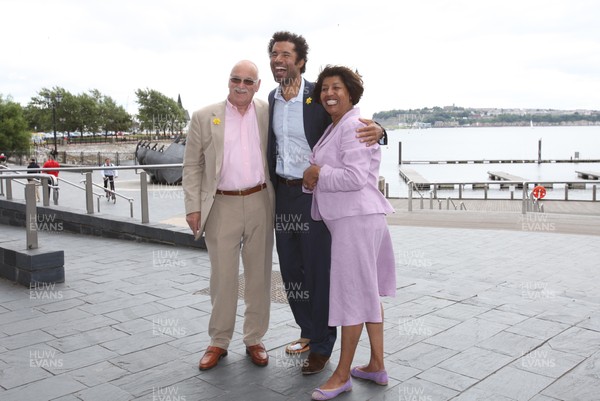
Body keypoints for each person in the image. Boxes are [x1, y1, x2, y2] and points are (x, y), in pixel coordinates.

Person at [266, 31, 386, 375]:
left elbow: (351, 121)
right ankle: (309, 331)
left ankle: (321, 345)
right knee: (290, 271)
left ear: (301, 61)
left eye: (286, 54)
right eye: (275, 54)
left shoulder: (317, 97)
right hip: (283, 194)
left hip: (316, 195)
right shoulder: (270, 100)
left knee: (319, 271)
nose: (279, 60)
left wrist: (380, 129)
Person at [303, 66, 396, 400]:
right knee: (366, 292)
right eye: (325, 88)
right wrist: (313, 176)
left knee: (351, 298)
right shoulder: (338, 126)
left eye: (337, 87)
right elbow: (333, 175)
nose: (329, 93)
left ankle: (342, 375)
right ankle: (376, 365)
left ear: (351, 92)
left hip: (356, 222)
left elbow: (354, 178)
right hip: (359, 219)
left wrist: (318, 172)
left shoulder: (354, 126)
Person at [182, 60, 274, 371]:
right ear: (228, 81)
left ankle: (254, 339)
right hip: (221, 205)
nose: (242, 86)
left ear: (258, 86)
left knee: (259, 276)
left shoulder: (266, 111)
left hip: (261, 200)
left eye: (249, 81)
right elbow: (192, 166)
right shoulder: (204, 116)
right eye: (236, 79)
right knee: (222, 278)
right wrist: (193, 206)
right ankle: (219, 341)